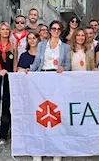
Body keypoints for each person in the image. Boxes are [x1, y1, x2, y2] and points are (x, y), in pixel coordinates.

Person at [25, 20, 70, 161]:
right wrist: (29, 70)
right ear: (49, 30)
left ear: (61, 31)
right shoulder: (42, 44)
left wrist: (64, 68)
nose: (56, 31)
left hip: (57, 79)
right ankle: (39, 148)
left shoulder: (66, 47)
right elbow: (37, 61)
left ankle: (56, 149)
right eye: (53, 28)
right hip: (42, 78)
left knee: (56, 113)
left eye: (58, 29)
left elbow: (68, 64)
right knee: (41, 111)